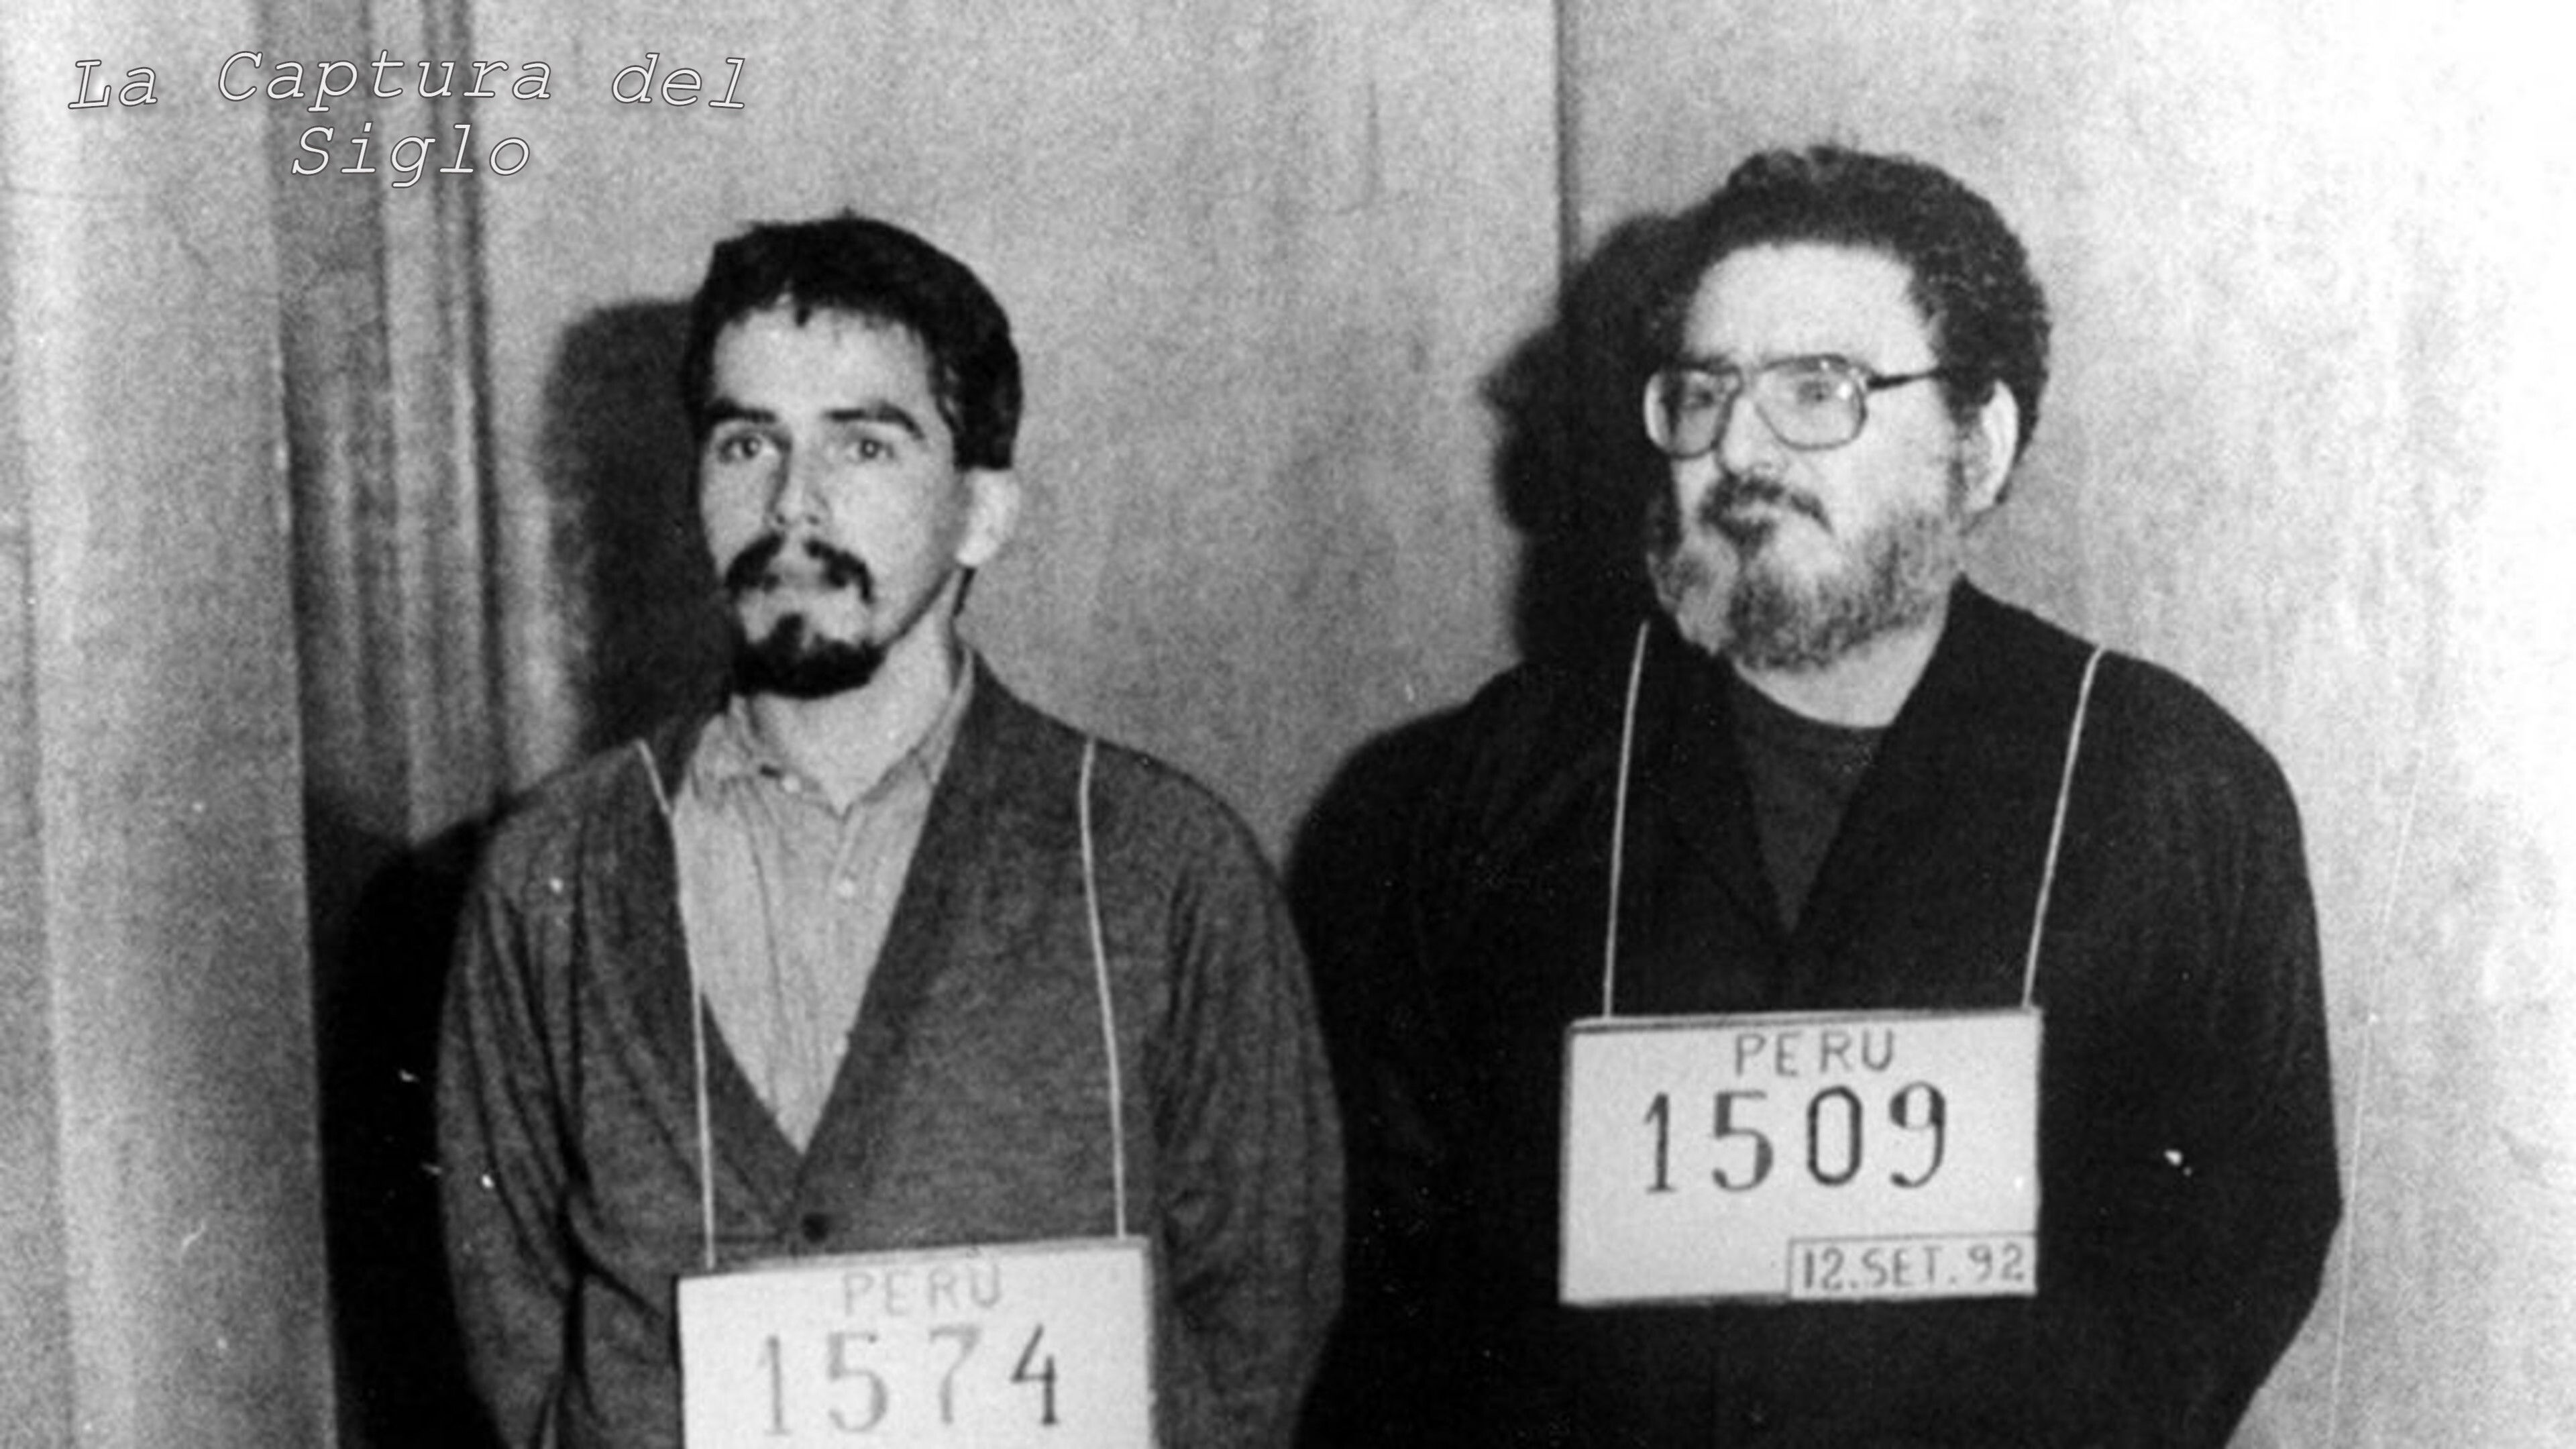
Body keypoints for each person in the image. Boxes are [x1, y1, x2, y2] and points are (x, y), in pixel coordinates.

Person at [1340, 146, 2340, 1446]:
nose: (1738, 449)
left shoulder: (2168, 790)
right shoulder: (1506, 778)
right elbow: (1406, 1245)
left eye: (1819, 390)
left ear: (1979, 445)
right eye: (1703, 393)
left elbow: (2244, 1239)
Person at [439, 213, 1342, 1449]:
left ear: (981, 513)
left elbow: (1257, 1323)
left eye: (863, 444)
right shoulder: (555, 875)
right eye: (746, 442)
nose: (791, 502)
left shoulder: (1161, 866)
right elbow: (518, 1326)